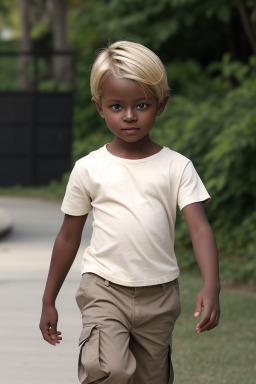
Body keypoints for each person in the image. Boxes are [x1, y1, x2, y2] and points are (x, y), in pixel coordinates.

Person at [39, 40, 221, 384]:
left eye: (141, 104)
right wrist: (49, 299)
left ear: (160, 105)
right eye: (116, 106)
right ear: (99, 107)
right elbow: (68, 236)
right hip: (103, 289)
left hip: (160, 295)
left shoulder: (177, 167)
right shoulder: (89, 168)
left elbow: (199, 229)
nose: (129, 115)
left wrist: (211, 285)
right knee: (110, 369)